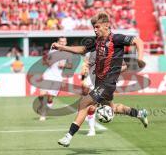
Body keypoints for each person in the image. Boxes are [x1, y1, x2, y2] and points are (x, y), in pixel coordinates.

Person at [52, 12, 148, 147]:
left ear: (106, 26)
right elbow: (82, 50)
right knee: (112, 108)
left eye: (97, 27)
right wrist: (62, 47)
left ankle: (68, 136)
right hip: (100, 81)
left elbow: (138, 41)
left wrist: (140, 58)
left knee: (84, 103)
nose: (95, 30)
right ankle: (139, 113)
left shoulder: (116, 39)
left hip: (108, 83)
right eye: (94, 27)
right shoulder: (96, 41)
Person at [81, 51, 128, 136]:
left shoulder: (112, 51)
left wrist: (113, 72)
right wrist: (84, 73)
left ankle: (136, 113)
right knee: (91, 105)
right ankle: (92, 129)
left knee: (110, 107)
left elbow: (124, 66)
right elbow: (85, 63)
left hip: (104, 82)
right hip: (92, 79)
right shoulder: (92, 51)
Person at [38, 37, 73, 121]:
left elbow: (70, 66)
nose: (62, 43)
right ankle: (42, 108)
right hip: (48, 75)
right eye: (60, 41)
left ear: (66, 43)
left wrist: (64, 65)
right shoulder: (52, 51)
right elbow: (44, 62)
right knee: (41, 95)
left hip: (57, 78)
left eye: (64, 42)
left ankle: (44, 112)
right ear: (58, 42)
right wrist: (48, 62)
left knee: (50, 98)